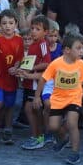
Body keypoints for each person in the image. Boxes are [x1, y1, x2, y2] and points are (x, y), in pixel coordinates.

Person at [35, 33, 83, 165]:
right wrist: (37, 97)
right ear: (67, 50)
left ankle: (75, 153)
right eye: (78, 48)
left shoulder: (81, 64)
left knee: (72, 123)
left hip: (74, 98)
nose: (81, 51)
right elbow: (43, 79)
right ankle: (64, 139)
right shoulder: (55, 64)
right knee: (53, 126)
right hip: (58, 99)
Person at [0, 9, 24, 145]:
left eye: (10, 23)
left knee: (10, 105)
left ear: (16, 24)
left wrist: (17, 67)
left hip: (11, 79)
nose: (7, 26)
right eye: (4, 23)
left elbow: (20, 57)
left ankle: (8, 130)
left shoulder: (19, 40)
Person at [18, 15, 53, 150]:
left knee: (31, 109)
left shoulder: (43, 44)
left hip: (35, 83)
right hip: (28, 82)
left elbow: (47, 63)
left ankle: (37, 137)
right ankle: (38, 136)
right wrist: (19, 68)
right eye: (32, 28)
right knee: (32, 110)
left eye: (37, 29)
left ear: (45, 32)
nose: (33, 31)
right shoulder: (32, 44)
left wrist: (32, 68)